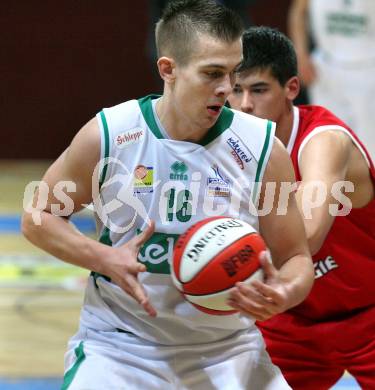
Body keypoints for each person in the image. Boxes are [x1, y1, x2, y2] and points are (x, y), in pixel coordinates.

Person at [21, 2, 314, 389]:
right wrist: (103, 257)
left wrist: (284, 291)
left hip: (229, 351)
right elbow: (37, 216)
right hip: (121, 347)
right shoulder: (111, 133)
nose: (227, 88)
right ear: (168, 69)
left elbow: (295, 256)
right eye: (212, 74)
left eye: (233, 72)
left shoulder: (260, 147)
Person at [228, 26, 375, 390]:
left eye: (258, 89)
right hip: (291, 318)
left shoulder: (324, 140)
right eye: (236, 90)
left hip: (370, 312)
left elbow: (306, 237)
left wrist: (231, 256)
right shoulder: (226, 147)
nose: (245, 104)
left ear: (291, 88)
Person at [288, 0, 375, 160]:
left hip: (369, 69)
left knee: (370, 150)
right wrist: (300, 54)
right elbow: (298, 13)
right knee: (327, 146)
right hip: (326, 68)